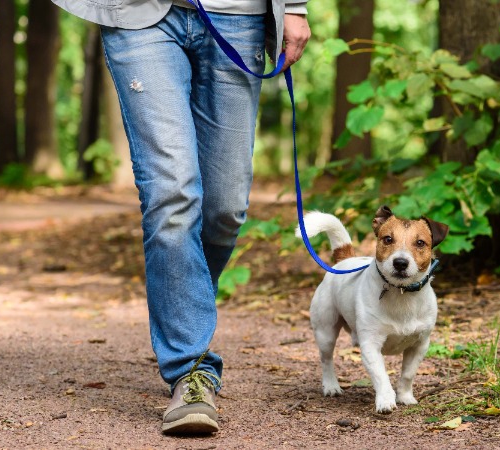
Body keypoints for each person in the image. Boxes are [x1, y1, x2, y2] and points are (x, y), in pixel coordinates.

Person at [50, 0, 310, 435]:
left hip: (237, 15)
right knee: (172, 194)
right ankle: (191, 370)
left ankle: (182, 308)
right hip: (141, 14)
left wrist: (296, 6)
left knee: (225, 208)